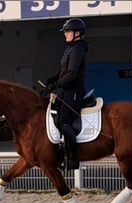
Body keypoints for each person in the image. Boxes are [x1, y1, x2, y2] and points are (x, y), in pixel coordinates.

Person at [42, 18, 88, 170]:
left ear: (77, 33)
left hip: (74, 90)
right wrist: (50, 81)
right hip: (66, 89)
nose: (65, 35)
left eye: (68, 32)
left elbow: (72, 74)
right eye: (66, 32)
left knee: (65, 122)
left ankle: (73, 159)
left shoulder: (77, 50)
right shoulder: (70, 49)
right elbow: (62, 72)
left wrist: (54, 86)